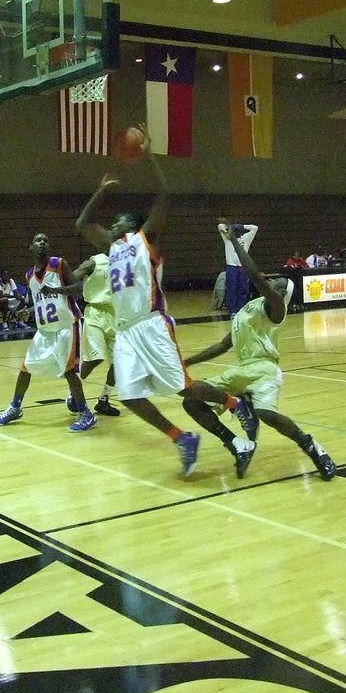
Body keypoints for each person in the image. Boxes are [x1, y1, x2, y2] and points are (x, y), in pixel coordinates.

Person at [75, 124, 259, 476]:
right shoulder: (111, 248)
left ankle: (237, 405)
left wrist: (149, 155)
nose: (112, 224)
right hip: (126, 331)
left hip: (151, 322)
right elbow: (82, 222)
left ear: (133, 225)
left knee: (183, 388)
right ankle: (181, 438)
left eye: (119, 220)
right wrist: (99, 191)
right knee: (129, 396)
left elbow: (166, 194)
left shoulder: (146, 240)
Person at [183, 222, 336, 481]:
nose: (274, 280)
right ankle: (236, 444)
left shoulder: (276, 307)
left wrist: (234, 243)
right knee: (191, 401)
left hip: (265, 369)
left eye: (278, 282)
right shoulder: (248, 308)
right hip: (243, 370)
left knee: (268, 415)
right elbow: (223, 345)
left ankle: (314, 448)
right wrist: (188, 360)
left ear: (281, 293)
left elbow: (254, 276)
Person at [0, 233, 96, 433]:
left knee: (69, 371)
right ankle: (15, 407)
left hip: (67, 326)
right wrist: (27, 311)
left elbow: (79, 288)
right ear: (31, 246)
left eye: (45, 240)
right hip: (45, 331)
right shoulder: (29, 275)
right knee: (25, 369)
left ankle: (86, 414)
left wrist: (57, 289)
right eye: (38, 240)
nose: (42, 243)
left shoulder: (59, 264)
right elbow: (41, 301)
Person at [72, 252, 121, 416]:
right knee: (96, 357)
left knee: (118, 364)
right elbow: (72, 277)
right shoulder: (94, 261)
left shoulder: (124, 262)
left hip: (115, 315)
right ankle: (74, 392)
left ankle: (103, 401)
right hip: (95, 312)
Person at [219, 219, 259, 316]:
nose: (237, 233)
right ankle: (233, 311)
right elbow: (220, 226)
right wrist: (231, 226)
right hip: (231, 267)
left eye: (238, 231)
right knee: (231, 289)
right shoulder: (227, 238)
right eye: (235, 231)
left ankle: (240, 309)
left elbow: (255, 228)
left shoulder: (246, 238)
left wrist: (243, 226)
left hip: (243, 267)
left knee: (243, 289)